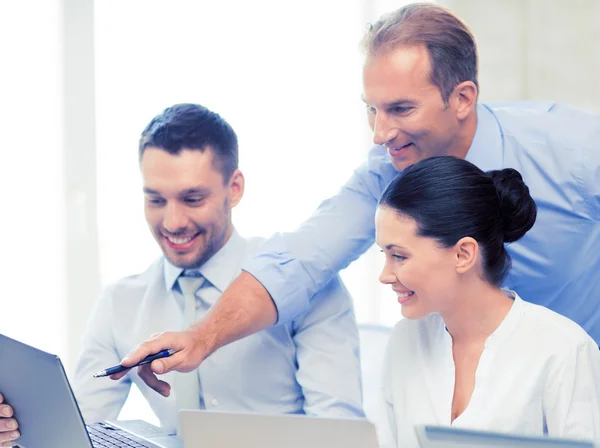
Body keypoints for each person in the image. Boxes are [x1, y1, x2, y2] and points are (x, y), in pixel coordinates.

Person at [119, 3, 600, 396]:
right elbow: (300, 260)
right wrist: (202, 337)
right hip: (478, 394)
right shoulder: (385, 173)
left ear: (463, 98)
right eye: (371, 109)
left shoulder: (570, 150)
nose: (380, 133)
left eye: (400, 109)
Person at [0, 103, 364, 445]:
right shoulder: (120, 302)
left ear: (234, 189)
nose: (172, 223)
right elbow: (77, 430)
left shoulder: (304, 283)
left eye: (192, 199)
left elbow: (341, 436)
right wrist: (17, 432)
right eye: (156, 200)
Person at [375, 156, 600, 447]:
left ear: (463, 254)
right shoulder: (404, 340)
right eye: (384, 254)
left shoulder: (564, 350)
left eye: (400, 256)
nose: (384, 275)